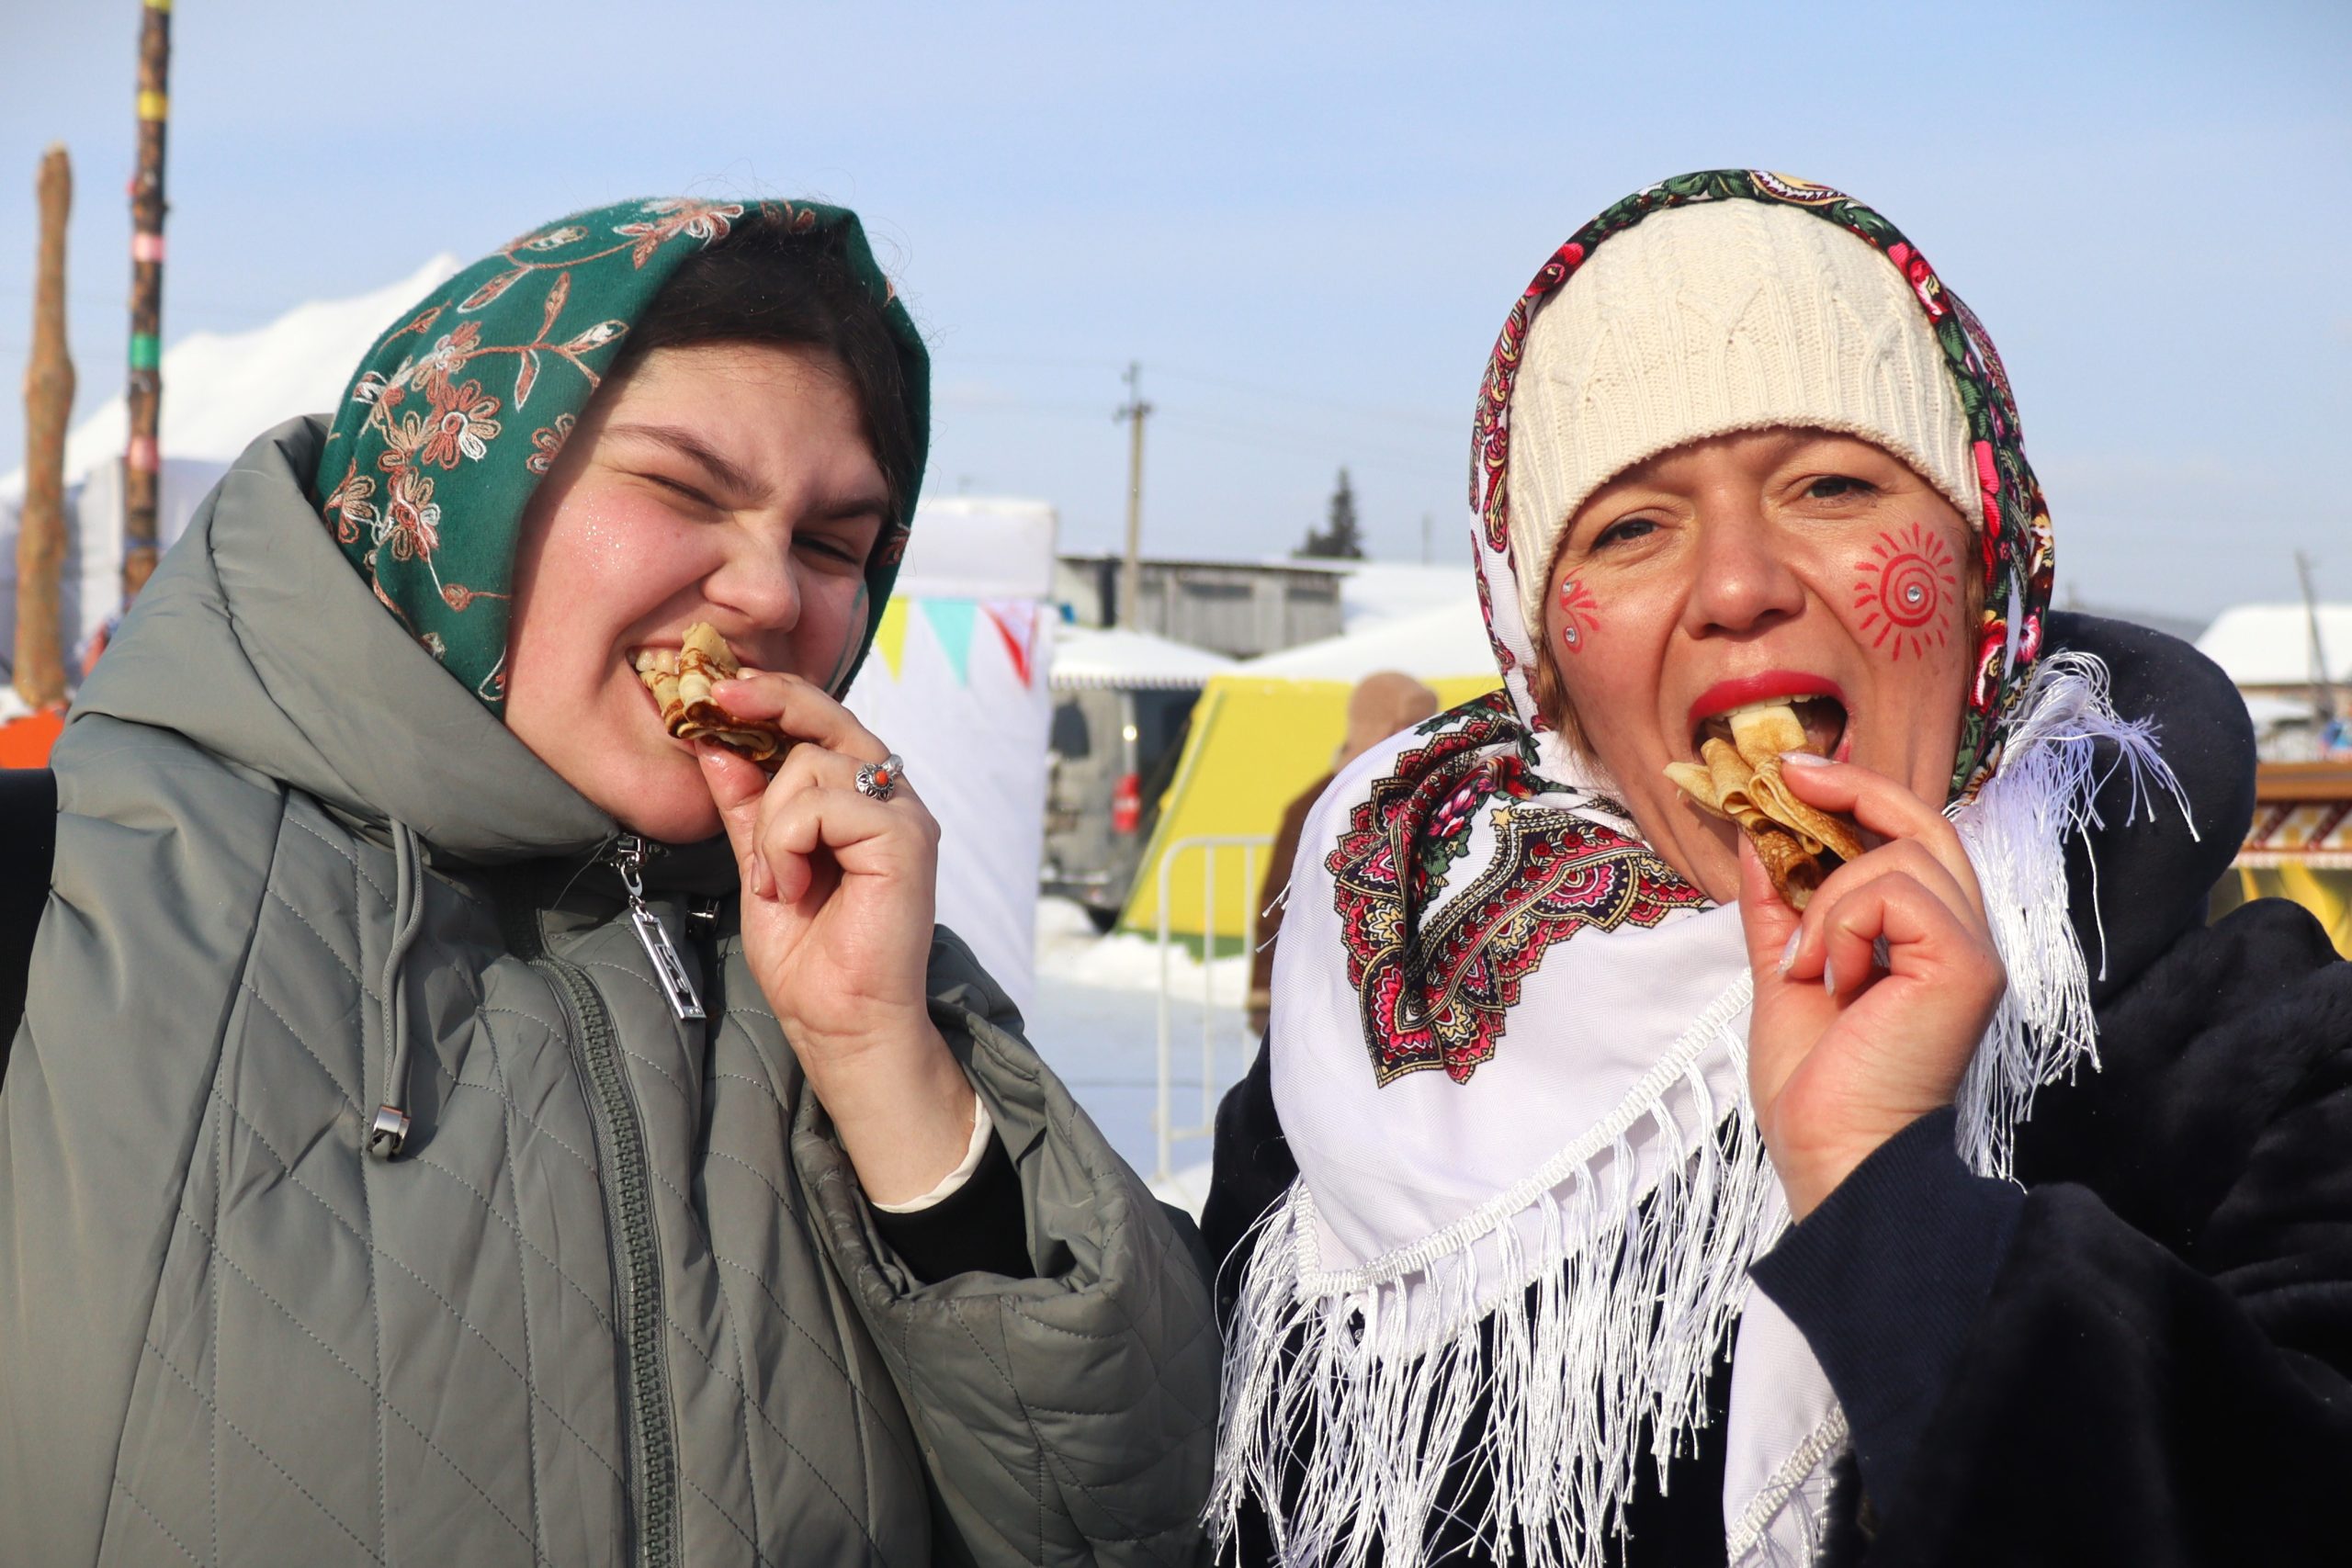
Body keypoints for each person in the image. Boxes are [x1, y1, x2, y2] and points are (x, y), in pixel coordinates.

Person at [0, 198, 1217, 1565]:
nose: (768, 593)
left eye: (832, 544)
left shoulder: (857, 959)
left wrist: (887, 1063)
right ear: (468, 497)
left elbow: (1129, 1520)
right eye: (685, 490)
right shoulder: (60, 895)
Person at [1203, 170, 2352, 1566]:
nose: (1740, 582)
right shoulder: (1393, 1033)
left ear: (1988, 567)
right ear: (1547, 661)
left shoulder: (2259, 1057)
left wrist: (1890, 1189)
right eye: (1629, 525)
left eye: (1832, 483)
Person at [1249, 671, 1439, 1033]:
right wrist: (1266, 995)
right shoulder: (1318, 808)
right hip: (1331, 999)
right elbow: (1278, 906)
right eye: (1411, 725)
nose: (1423, 738)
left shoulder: (1439, 801)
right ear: (1378, 727)